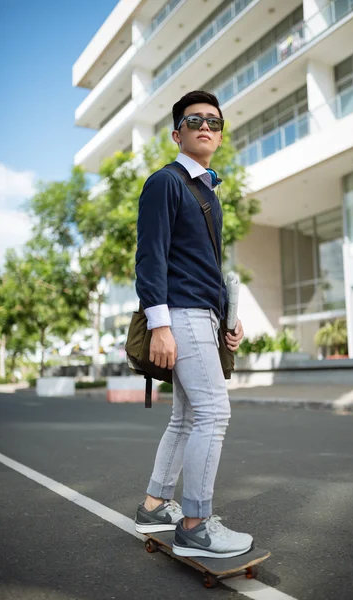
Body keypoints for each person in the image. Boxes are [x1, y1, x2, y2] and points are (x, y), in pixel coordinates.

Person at [134, 90, 253, 559]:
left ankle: (154, 504)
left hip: (202, 312)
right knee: (213, 415)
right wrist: (159, 324)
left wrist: (229, 317)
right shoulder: (166, 182)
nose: (205, 126)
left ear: (220, 135)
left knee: (186, 417)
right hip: (179, 313)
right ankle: (196, 525)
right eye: (194, 120)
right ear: (176, 133)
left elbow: (203, 265)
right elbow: (151, 256)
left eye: (214, 121)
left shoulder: (206, 190)